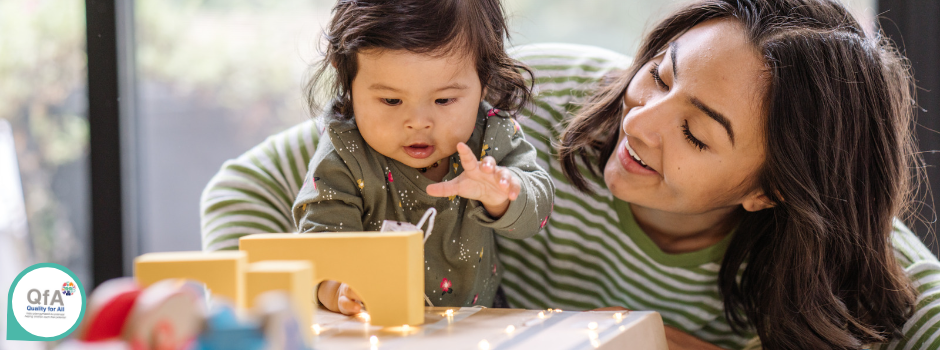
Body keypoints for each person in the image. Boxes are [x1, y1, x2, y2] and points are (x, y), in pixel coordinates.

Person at [201, 0, 940, 348]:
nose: (640, 120)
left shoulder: (830, 241)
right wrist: (314, 313)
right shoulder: (529, 104)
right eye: (658, 74)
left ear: (772, 188)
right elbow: (247, 191)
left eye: (696, 131)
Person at [292, 0, 554, 315]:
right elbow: (321, 243)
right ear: (348, 82)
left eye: (444, 99)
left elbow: (537, 212)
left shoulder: (491, 135)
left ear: (484, 82)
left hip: (480, 322)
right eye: (391, 100)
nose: (418, 121)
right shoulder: (345, 153)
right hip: (379, 324)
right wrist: (338, 287)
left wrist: (501, 195)